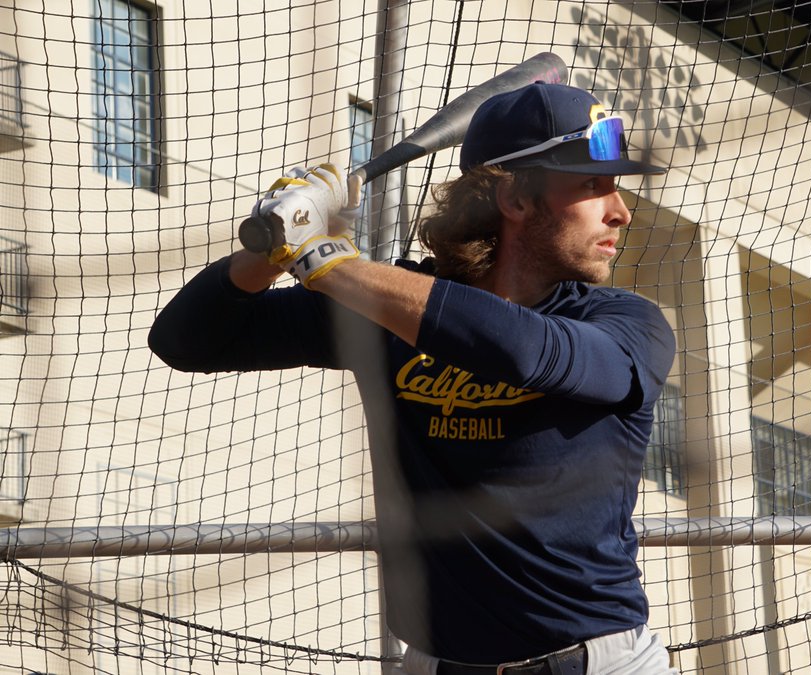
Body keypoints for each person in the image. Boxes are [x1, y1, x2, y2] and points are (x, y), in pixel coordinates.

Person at [149, 82, 678, 675]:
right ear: (517, 200)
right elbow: (185, 342)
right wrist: (272, 244)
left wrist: (326, 262)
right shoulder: (384, 309)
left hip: (596, 663)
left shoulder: (625, 322)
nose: (620, 211)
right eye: (592, 185)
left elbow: (530, 352)